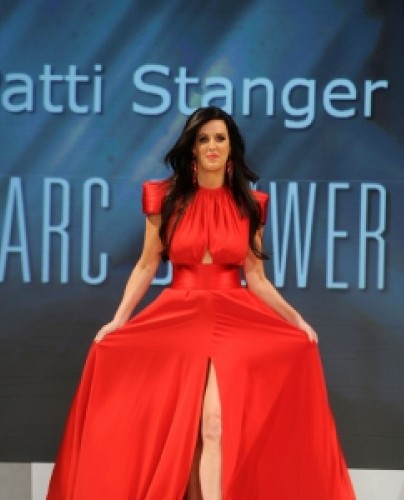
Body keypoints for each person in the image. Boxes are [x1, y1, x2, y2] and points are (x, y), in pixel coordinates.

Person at [47, 106, 355, 499]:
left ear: (231, 147)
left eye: (219, 138)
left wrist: (295, 319)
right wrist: (119, 319)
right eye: (203, 138)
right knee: (188, 431)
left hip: (234, 316)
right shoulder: (163, 197)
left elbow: (256, 277)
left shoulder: (252, 203)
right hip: (178, 314)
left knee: (213, 424)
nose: (212, 146)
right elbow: (146, 264)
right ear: (192, 147)